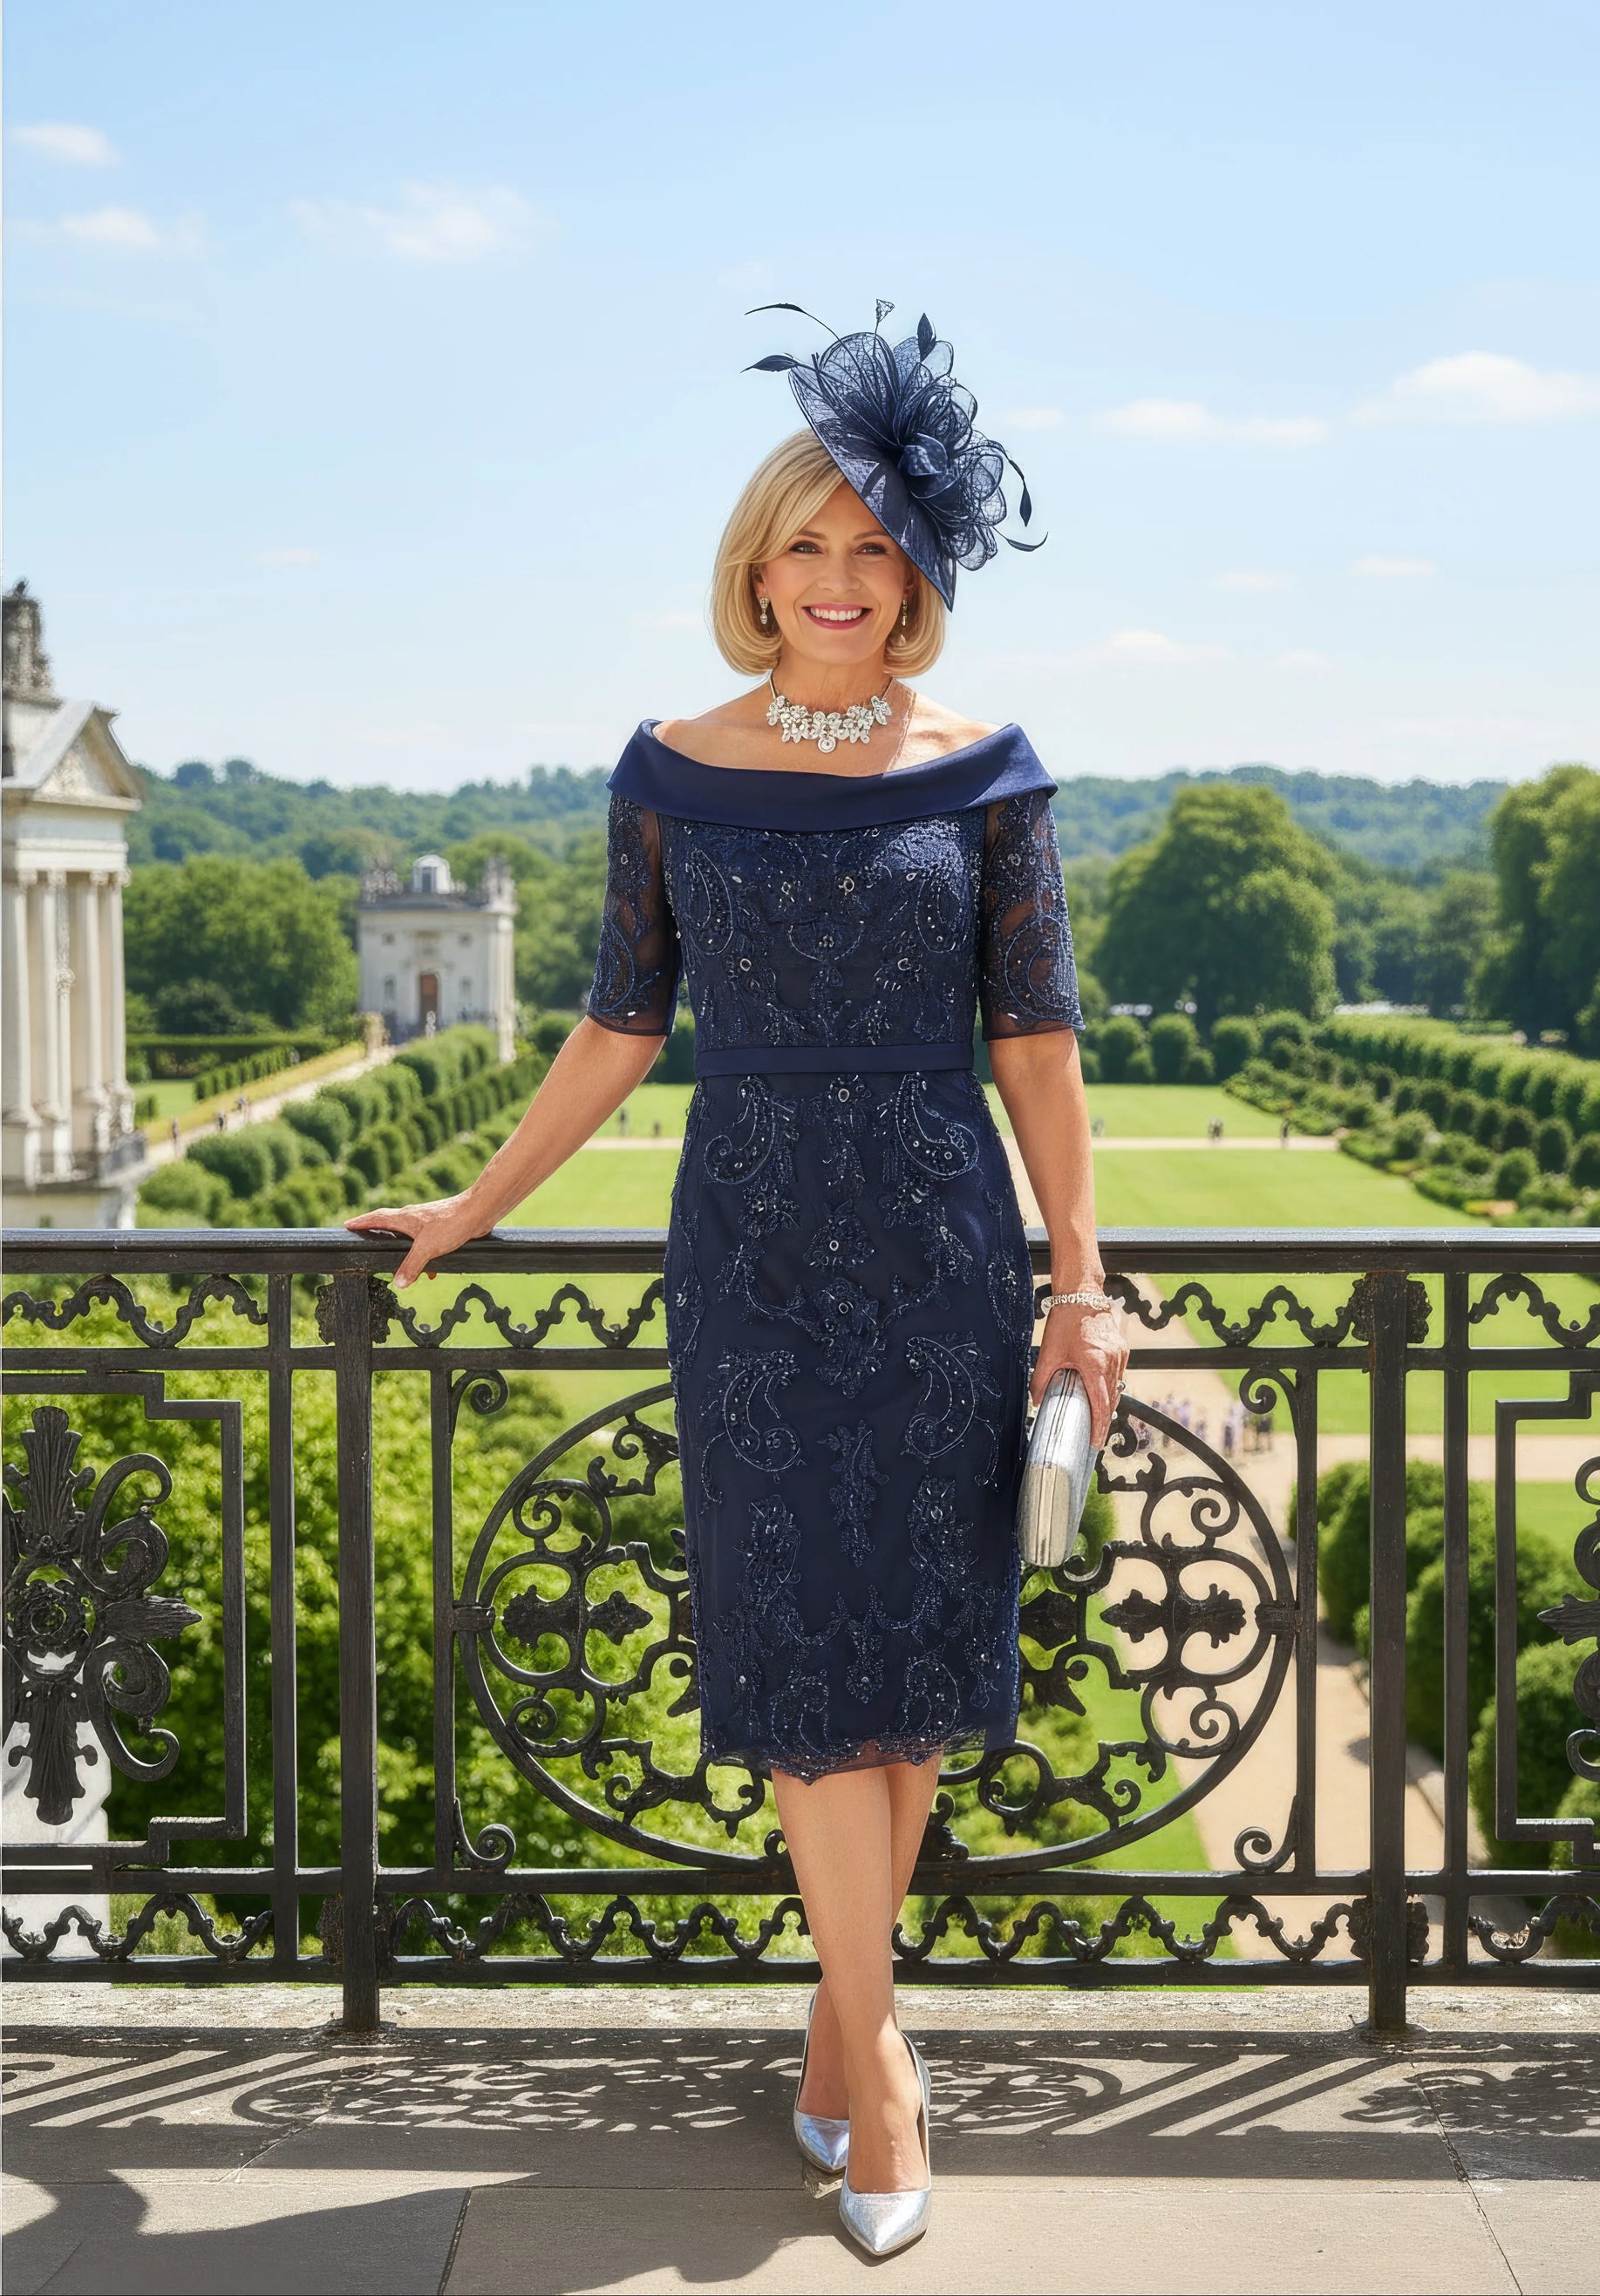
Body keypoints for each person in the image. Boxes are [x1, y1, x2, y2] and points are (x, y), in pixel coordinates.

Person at [346, 302, 1128, 2262]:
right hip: (756, 1251)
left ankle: (835, 2025)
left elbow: (1038, 1046)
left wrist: (1080, 1287)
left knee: (918, 1674)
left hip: (944, 1242)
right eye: (807, 545)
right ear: (752, 570)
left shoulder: (995, 775)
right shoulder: (669, 771)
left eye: (874, 547)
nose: (841, 581)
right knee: (801, 1667)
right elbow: (617, 1027)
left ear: (917, 573)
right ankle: (882, 2079)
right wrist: (470, 1205)